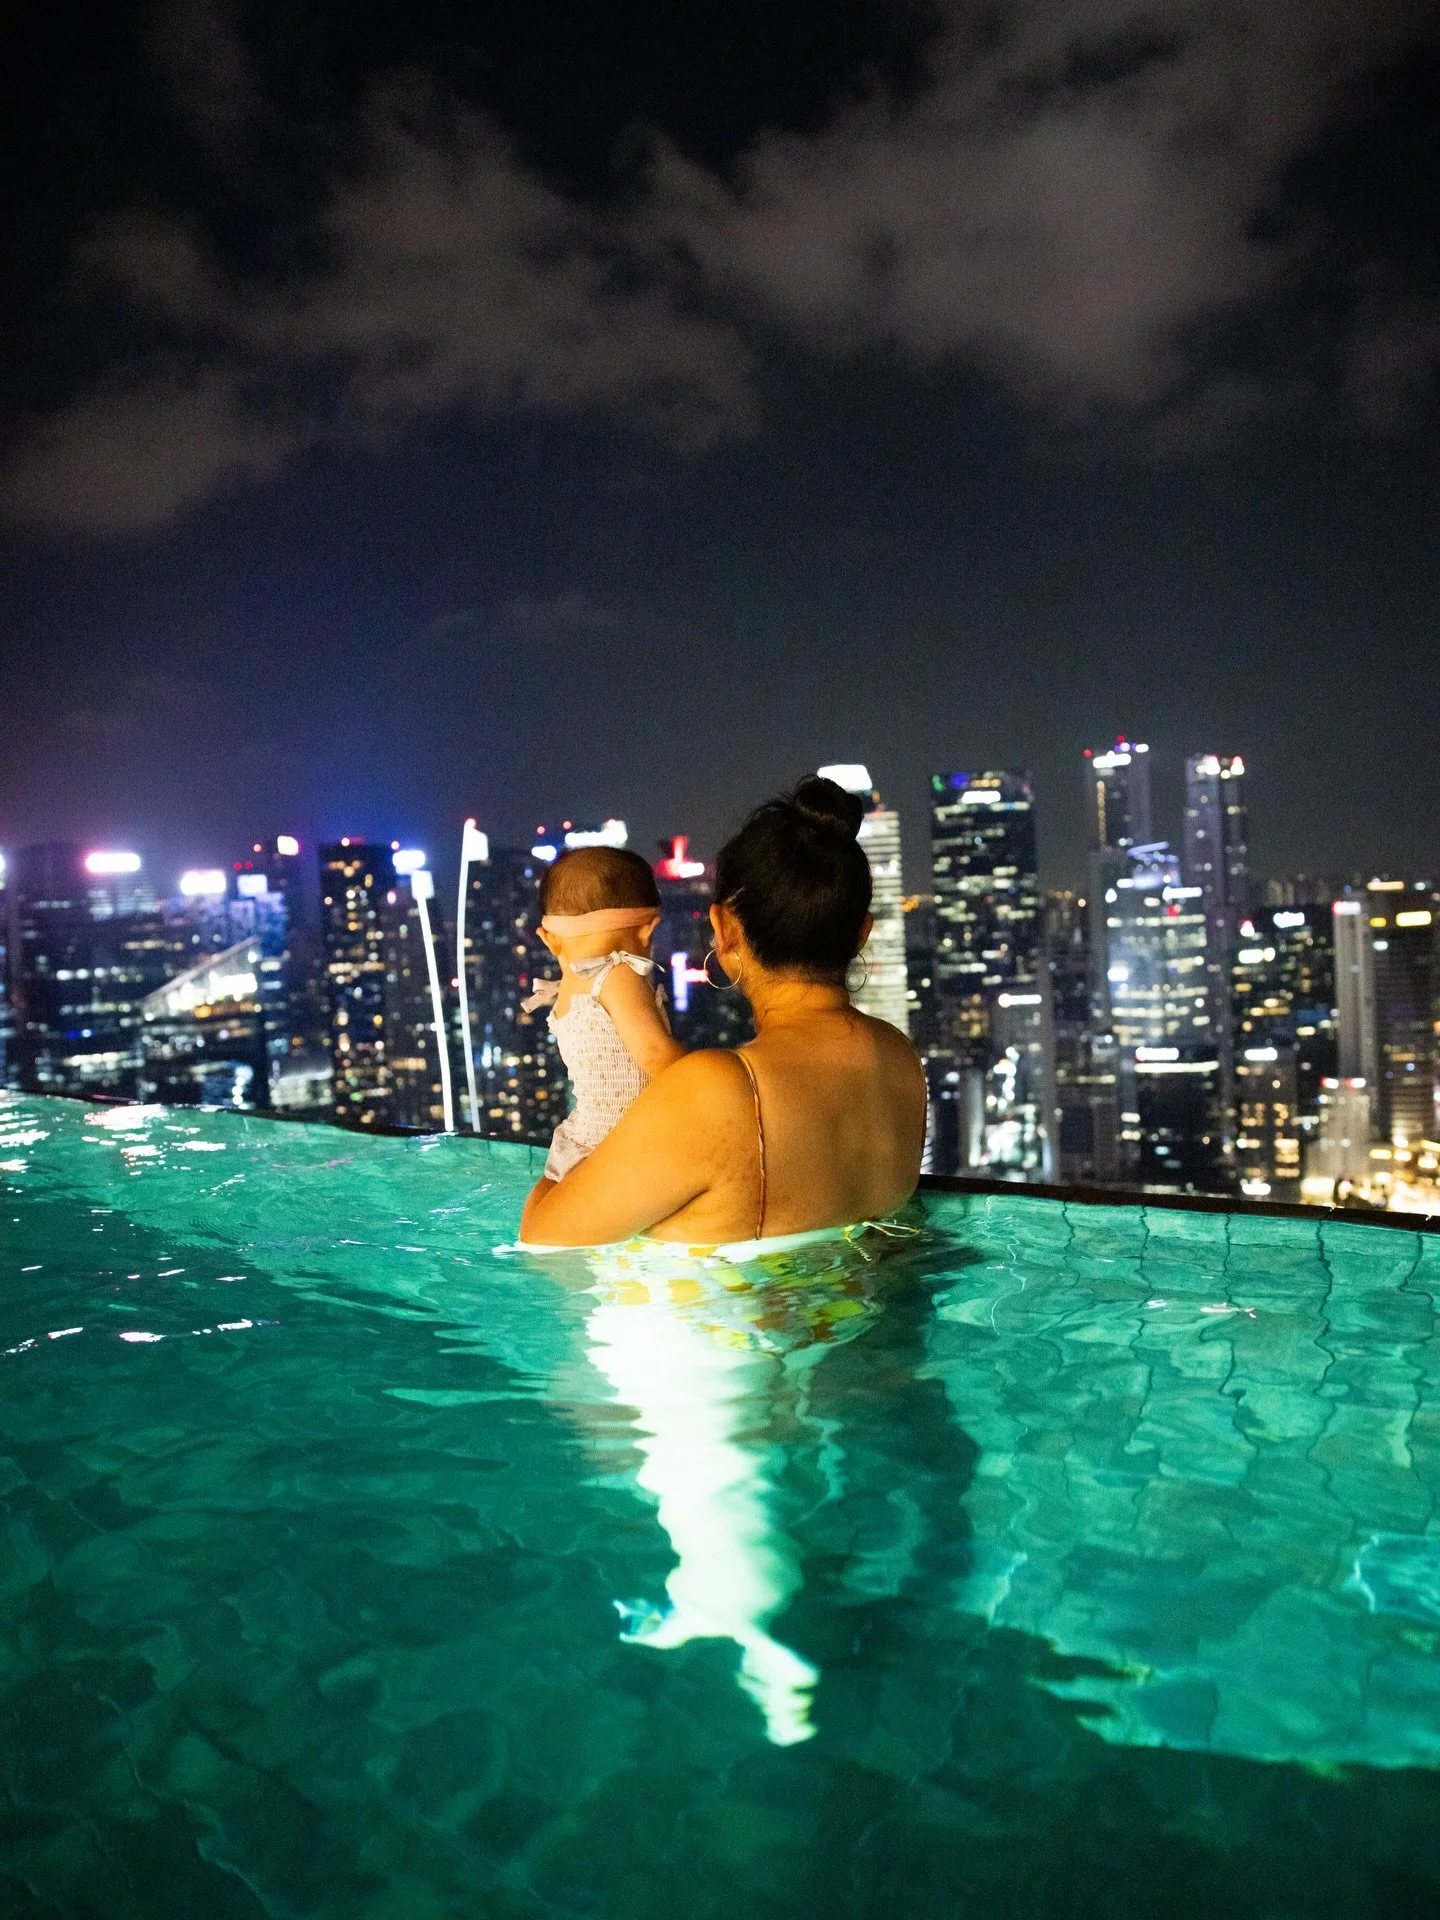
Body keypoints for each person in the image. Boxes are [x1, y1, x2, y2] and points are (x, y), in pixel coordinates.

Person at [520, 776, 927, 1249]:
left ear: (724, 928)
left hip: (726, 1322)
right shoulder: (901, 1061)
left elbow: (542, 1237)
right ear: (862, 933)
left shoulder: (715, 1089)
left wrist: (565, 1159)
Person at [523, 844, 685, 1183]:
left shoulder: (567, 986)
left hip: (580, 1145)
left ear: (549, 939)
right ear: (648, 932)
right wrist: (716, 1085)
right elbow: (657, 1055)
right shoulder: (618, 974)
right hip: (622, 1149)